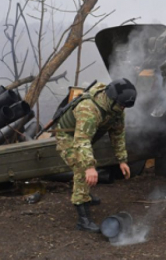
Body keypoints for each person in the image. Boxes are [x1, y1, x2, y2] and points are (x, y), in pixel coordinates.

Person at [54, 78, 137, 232]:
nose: (123, 109)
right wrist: (89, 167)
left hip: (84, 136)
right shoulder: (89, 109)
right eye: (122, 105)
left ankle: (86, 195)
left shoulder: (116, 109)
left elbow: (118, 134)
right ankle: (83, 220)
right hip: (68, 138)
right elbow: (81, 140)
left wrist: (122, 160)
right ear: (112, 99)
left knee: (87, 164)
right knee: (81, 168)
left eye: (125, 106)